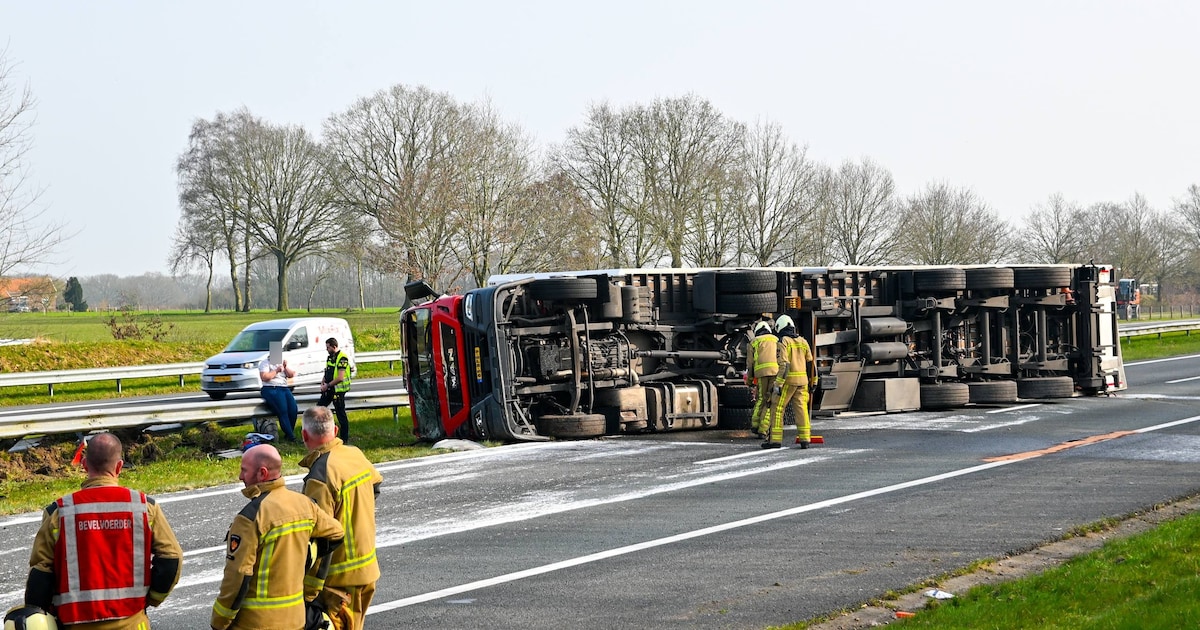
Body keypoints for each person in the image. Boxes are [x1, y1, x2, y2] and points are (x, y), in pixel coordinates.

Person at [24, 432, 183, 630]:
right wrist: (152, 599)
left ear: (84, 465)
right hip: (132, 623)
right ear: (119, 466)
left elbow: (41, 573)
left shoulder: (58, 512)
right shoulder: (144, 507)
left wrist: (38, 618)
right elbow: (171, 558)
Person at [211, 445, 344, 630]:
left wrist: (220, 621)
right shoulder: (305, 505)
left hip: (256, 623)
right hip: (296, 620)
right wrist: (309, 556)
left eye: (244, 470)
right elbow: (336, 533)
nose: (240, 476)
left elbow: (238, 576)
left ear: (262, 473)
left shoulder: (251, 517)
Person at [300, 406, 383, 630]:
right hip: (367, 570)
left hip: (338, 581)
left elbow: (321, 537)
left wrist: (309, 591)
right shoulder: (355, 455)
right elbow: (375, 486)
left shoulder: (321, 474)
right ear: (335, 430)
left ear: (304, 435)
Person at [763, 314, 818, 449]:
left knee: (777, 408)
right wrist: (814, 381)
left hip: (788, 382)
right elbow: (811, 364)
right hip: (803, 382)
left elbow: (784, 365)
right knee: (801, 409)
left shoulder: (783, 342)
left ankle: (775, 441)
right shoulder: (803, 341)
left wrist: (778, 384)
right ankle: (805, 439)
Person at [745, 320, 780, 438]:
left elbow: (750, 364)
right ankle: (763, 430)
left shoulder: (754, 342)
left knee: (761, 399)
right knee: (770, 400)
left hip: (761, 374)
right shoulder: (776, 340)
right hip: (775, 373)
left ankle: (755, 425)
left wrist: (749, 380)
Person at [317, 338, 353, 442]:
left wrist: (327, 385)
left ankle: (344, 439)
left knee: (340, 415)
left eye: (328, 347)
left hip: (338, 391)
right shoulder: (330, 357)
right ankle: (321, 434)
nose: (326, 349)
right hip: (329, 389)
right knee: (318, 410)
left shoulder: (342, 358)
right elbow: (327, 371)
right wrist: (323, 382)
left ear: (334, 346)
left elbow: (340, 377)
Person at [258, 356, 298, 442]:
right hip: (271, 387)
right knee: (282, 410)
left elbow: (291, 374)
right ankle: (291, 437)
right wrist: (276, 371)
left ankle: (289, 432)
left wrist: (285, 367)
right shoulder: (265, 363)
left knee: (293, 409)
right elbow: (264, 377)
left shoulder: (283, 361)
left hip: (284, 387)